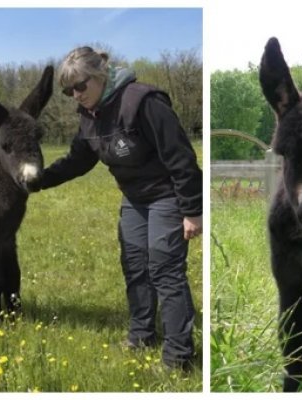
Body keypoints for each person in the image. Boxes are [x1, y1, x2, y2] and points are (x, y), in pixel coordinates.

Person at [37, 46, 203, 370]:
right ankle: (141, 336)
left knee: (165, 271)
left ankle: (178, 357)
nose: (75, 95)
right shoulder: (89, 117)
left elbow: (181, 159)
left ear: (99, 76)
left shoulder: (144, 101)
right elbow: (77, 161)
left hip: (167, 194)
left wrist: (192, 211)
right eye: (68, 90)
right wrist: (39, 180)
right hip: (135, 198)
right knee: (135, 265)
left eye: (80, 86)